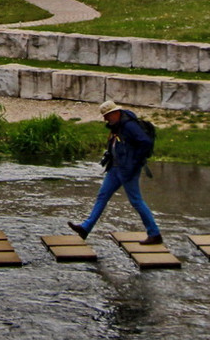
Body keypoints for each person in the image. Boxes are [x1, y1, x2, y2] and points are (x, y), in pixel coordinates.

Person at [69, 100, 161, 244]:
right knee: (102, 196)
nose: (105, 119)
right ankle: (85, 228)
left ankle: (154, 234)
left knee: (136, 201)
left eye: (107, 116)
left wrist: (134, 162)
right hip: (115, 168)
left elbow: (145, 142)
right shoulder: (117, 125)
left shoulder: (129, 126)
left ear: (115, 113)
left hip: (127, 170)